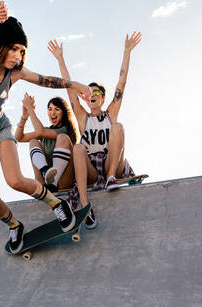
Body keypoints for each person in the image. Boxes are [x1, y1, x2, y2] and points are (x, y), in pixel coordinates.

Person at [0, 1, 92, 253]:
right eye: (14, 49)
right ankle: (15, 226)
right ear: (1, 45)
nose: (18, 56)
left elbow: (45, 81)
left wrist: (74, 83)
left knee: (14, 180)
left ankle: (57, 204)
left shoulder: (15, 73)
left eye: (22, 51)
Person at [47, 32, 142, 229]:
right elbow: (69, 91)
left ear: (102, 98)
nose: (93, 94)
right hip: (90, 168)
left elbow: (121, 84)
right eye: (89, 92)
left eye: (97, 92)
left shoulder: (109, 114)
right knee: (78, 148)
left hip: (111, 163)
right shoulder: (83, 118)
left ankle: (110, 178)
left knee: (118, 127)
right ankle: (85, 204)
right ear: (86, 97)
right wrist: (60, 59)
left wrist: (127, 51)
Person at [14, 93, 79, 193]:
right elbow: (19, 137)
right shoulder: (46, 131)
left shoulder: (65, 130)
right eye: (50, 109)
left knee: (62, 138)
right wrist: (24, 116)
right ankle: (45, 171)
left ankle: (53, 183)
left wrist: (30, 109)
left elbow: (41, 132)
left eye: (57, 109)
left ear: (64, 113)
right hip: (45, 184)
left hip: (64, 182)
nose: (52, 112)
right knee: (33, 142)